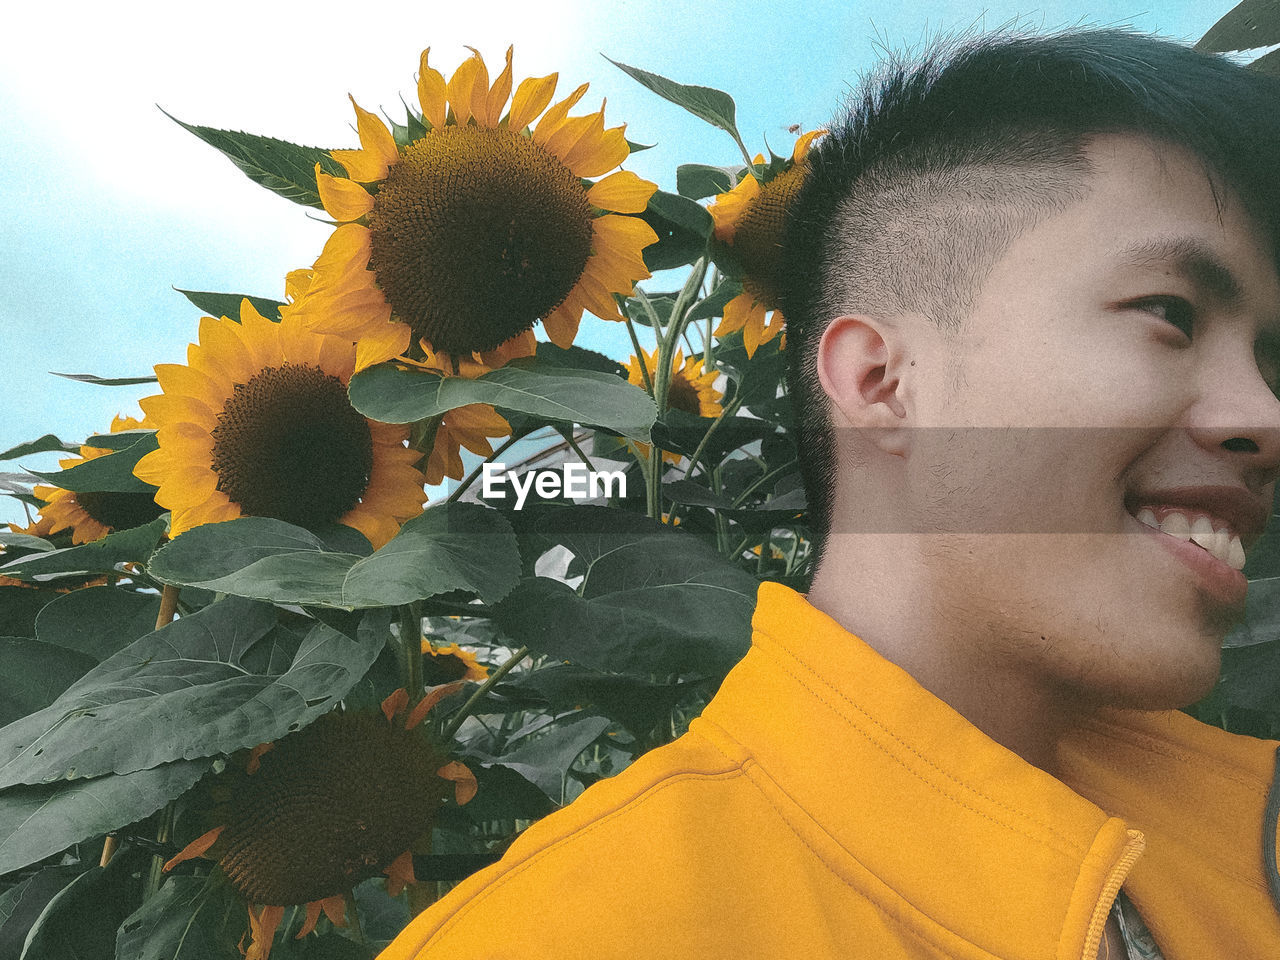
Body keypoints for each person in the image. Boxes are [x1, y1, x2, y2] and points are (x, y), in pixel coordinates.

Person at [379, 28, 1280, 959]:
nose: (1267, 415)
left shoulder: (1259, 842)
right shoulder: (576, 934)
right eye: (1170, 314)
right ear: (884, 381)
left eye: (1271, 358)